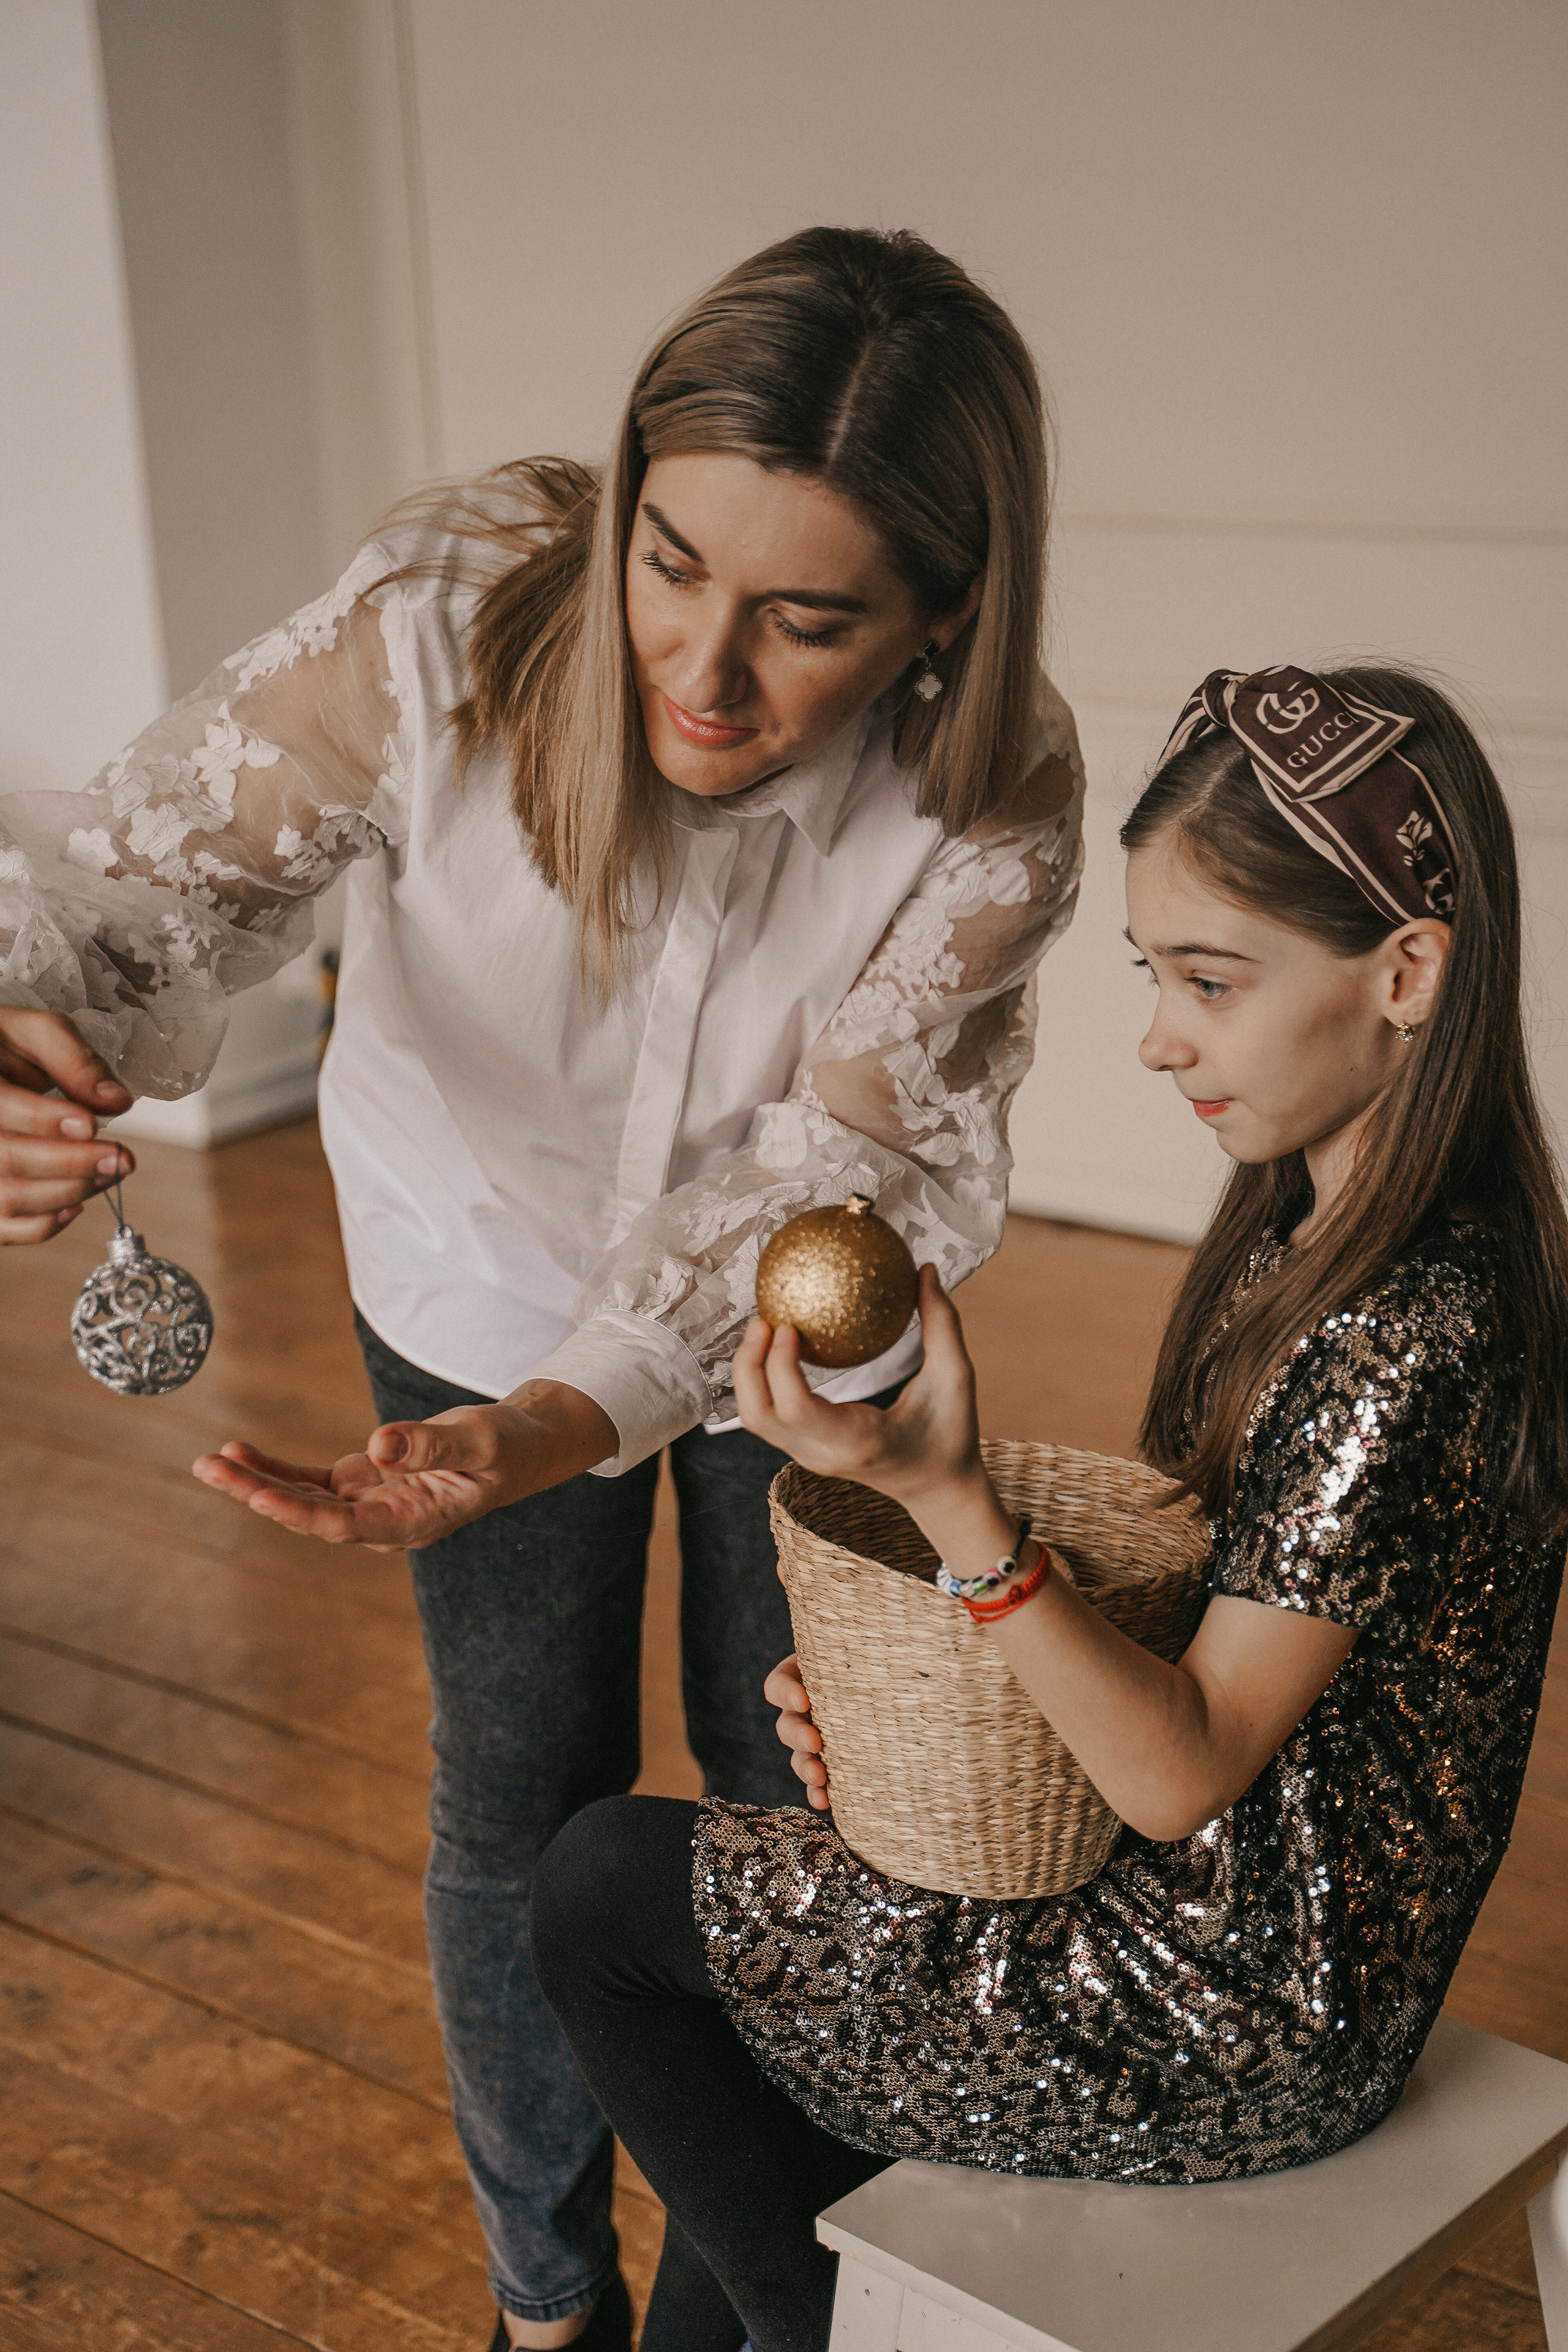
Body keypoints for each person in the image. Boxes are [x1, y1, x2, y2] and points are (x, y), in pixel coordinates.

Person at [0, 228, 1084, 2348]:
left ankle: (771, 2299)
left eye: (807, 620)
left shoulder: (993, 796)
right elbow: (130, 881)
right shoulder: (438, 627)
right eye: (671, 563)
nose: (702, 670)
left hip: (807, 1344)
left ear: (944, 615)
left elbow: (827, 1180)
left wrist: (563, 1424)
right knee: (522, 1801)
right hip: (466, 1268)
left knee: (797, 1821)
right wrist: (16, 1038)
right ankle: (546, 2306)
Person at [530, 663, 1568, 2352]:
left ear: (1408, 972)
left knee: (602, 1897)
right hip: (1218, 1932)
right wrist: (913, 1705)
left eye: (1213, 983)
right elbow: (1205, 1625)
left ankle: (825, 2333)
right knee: (740, 2001)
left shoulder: (1410, 1332)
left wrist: (951, 1500)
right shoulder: (1317, 1245)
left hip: (1235, 2011)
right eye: (1155, 973)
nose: (1161, 1034)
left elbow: (1179, 1772)